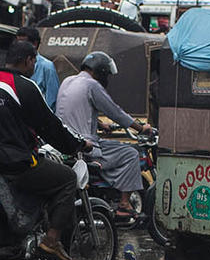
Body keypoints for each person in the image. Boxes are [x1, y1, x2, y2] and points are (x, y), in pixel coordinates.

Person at [0, 39, 92, 260]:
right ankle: (51, 240)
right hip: (13, 162)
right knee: (67, 179)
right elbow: (50, 125)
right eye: (33, 61)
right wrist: (77, 145)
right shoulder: (24, 86)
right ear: (28, 61)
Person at [53, 50, 146, 218]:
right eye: (107, 75)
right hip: (85, 146)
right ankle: (124, 204)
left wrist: (100, 124)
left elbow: (75, 111)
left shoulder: (68, 81)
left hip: (64, 143)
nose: (107, 79)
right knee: (131, 154)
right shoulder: (92, 85)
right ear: (101, 72)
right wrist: (140, 128)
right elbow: (115, 112)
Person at [18, 25, 61, 107]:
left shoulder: (47, 67)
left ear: (34, 44)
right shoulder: (16, 64)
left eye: (23, 43)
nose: (19, 47)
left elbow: (52, 101)